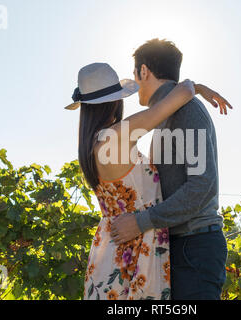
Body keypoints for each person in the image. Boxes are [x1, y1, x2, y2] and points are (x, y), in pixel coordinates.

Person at [65, 62, 229, 300]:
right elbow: (181, 94)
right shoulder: (119, 136)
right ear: (115, 102)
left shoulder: (93, 146)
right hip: (136, 254)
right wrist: (197, 87)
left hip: (110, 252)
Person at [110, 39, 233, 300]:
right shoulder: (165, 114)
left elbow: (202, 185)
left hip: (194, 247)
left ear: (144, 71)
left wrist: (139, 222)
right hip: (178, 244)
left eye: (135, 74)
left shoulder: (187, 111)